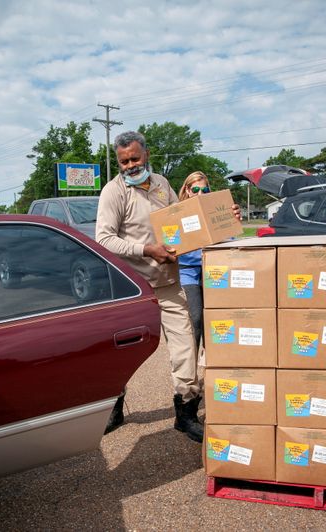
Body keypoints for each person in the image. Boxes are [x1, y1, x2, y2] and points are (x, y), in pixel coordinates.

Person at [96, 131, 240, 443]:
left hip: (169, 283)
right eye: (124, 161)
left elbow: (186, 221)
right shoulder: (113, 192)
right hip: (131, 289)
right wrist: (148, 249)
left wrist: (224, 219)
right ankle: (114, 404)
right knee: (126, 354)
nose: (131, 165)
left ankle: (185, 414)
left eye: (135, 158)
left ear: (145, 154)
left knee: (186, 346)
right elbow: (104, 238)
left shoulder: (162, 184)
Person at [177, 171, 212, 352]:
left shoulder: (214, 211)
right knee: (196, 318)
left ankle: (211, 367)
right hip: (188, 272)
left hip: (212, 272)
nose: (200, 194)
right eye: (195, 189)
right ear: (187, 190)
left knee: (213, 319)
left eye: (204, 190)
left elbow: (228, 238)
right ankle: (190, 370)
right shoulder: (176, 214)